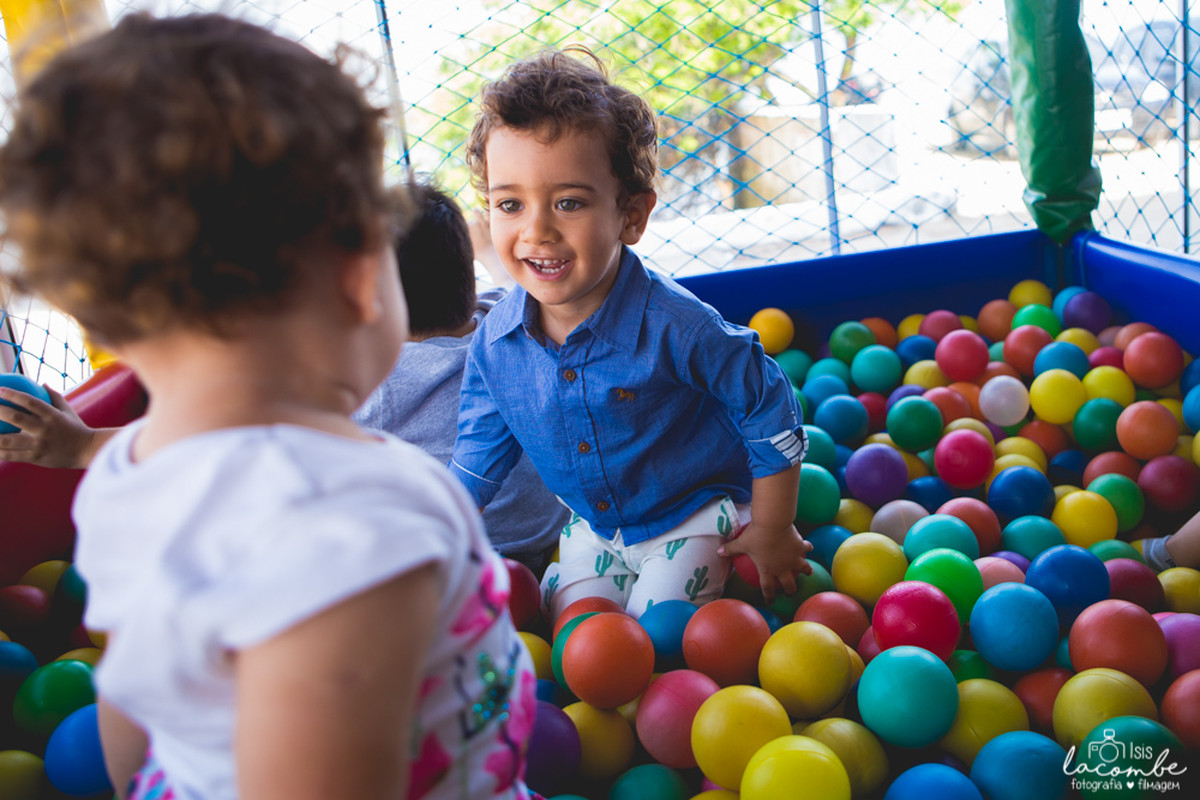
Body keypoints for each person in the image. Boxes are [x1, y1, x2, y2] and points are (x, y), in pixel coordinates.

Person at [0, 13, 535, 800]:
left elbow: (130, 705)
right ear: (362, 276)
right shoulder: (367, 528)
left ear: (108, 323)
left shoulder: (122, 480)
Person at [449, 46, 812, 622]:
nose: (537, 230)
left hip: (694, 512)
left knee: (657, 629)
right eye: (510, 204)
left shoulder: (678, 326)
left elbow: (767, 401)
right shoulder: (497, 343)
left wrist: (772, 527)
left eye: (569, 202)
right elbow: (477, 452)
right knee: (577, 632)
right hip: (595, 525)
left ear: (632, 216)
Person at [354, 180, 570, 572]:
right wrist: (488, 252)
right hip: (557, 531)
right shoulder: (511, 320)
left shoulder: (379, 381)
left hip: (469, 558)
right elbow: (516, 289)